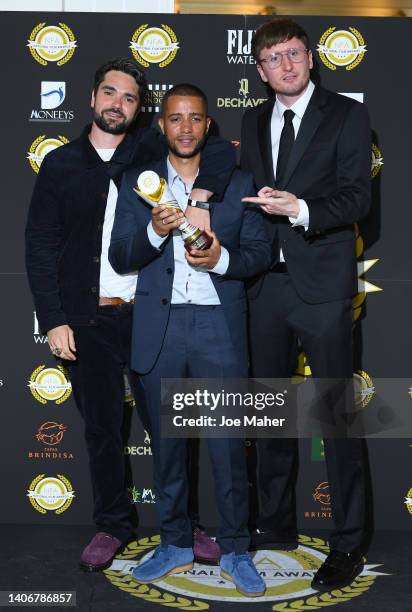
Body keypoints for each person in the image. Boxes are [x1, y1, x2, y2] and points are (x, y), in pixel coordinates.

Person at [25, 59, 235, 571]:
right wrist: (53, 318)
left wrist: (202, 194)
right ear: (93, 97)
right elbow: (40, 244)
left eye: (129, 98)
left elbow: (224, 156)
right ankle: (112, 524)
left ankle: (182, 525)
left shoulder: (151, 148)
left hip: (149, 315)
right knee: (102, 429)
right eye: (109, 93)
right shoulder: (60, 164)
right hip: (86, 320)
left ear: (141, 110)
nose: (117, 104)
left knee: (169, 428)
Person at [109, 84, 270, 596]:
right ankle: (175, 541)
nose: (184, 127)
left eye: (194, 118)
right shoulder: (139, 183)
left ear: (207, 126)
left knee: (226, 448)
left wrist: (220, 258)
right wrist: (156, 232)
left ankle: (237, 548)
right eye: (175, 118)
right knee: (169, 450)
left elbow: (259, 255)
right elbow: (120, 257)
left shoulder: (237, 181)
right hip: (160, 328)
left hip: (217, 328)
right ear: (162, 125)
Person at [240, 18, 371, 591]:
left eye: (293, 54)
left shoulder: (346, 114)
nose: (285, 65)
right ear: (262, 70)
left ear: (311, 58)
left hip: (322, 282)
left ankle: (348, 544)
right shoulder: (251, 117)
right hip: (266, 284)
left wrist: (301, 210)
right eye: (273, 58)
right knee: (269, 413)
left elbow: (358, 195)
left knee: (335, 415)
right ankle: (274, 525)